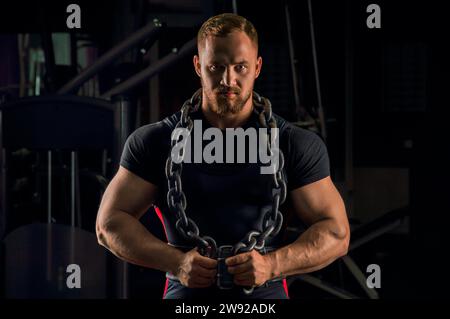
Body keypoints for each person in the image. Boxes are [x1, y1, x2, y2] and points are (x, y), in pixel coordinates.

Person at [96, 13, 350, 299]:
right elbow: (109, 224)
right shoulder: (154, 142)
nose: (228, 80)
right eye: (216, 67)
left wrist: (272, 264)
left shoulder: (294, 144)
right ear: (198, 66)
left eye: (240, 67)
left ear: (257, 67)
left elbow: (336, 232)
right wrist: (176, 262)